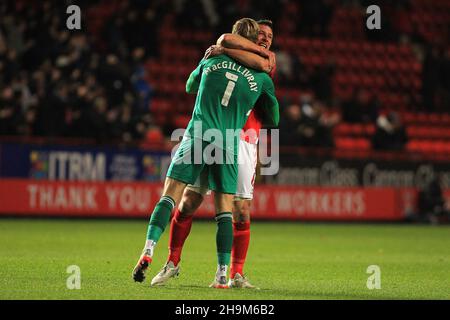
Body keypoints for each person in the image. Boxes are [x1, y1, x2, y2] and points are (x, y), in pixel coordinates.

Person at [132, 18, 279, 289]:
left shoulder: (257, 62)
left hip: (239, 140)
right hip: (228, 139)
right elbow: (275, 113)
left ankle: (234, 272)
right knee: (191, 203)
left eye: (270, 36)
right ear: (249, 38)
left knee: (240, 210)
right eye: (261, 34)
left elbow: (220, 51)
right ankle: (175, 263)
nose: (265, 39)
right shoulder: (258, 67)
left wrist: (221, 53)